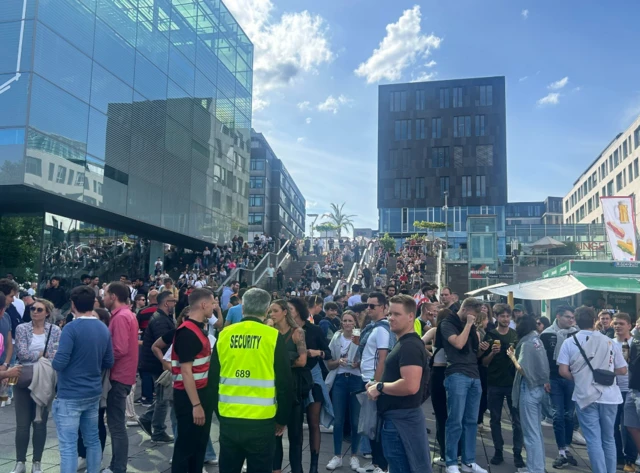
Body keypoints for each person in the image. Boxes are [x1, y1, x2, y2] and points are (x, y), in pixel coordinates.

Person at [209, 288, 293, 473]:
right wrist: (282, 418)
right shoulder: (272, 336)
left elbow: (213, 378)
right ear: (266, 311)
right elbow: (285, 382)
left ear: (243, 307)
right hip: (262, 420)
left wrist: (218, 411)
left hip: (229, 417)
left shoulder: (224, 334)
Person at [52, 286, 114, 473]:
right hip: (93, 391)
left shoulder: (71, 328)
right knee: (92, 439)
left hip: (70, 393)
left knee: (69, 444)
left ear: (73, 305)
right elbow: (109, 360)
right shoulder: (103, 328)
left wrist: (53, 358)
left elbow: (60, 363)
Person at [558, 305, 627, 473]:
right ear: (595, 320)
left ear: (576, 320)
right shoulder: (609, 341)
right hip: (609, 396)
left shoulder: (569, 342)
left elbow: (563, 371)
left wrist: (582, 377)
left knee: (593, 440)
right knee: (608, 438)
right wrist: (606, 372)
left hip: (585, 396)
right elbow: (623, 369)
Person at [366, 294, 431, 473]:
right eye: (389, 314)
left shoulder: (409, 346)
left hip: (400, 423)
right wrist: (378, 384)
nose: (391, 318)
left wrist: (380, 387)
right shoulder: (404, 343)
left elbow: (410, 386)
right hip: (400, 420)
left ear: (411, 316)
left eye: (396, 314)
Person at [168, 288, 216, 472]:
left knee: (198, 445)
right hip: (190, 397)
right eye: (212, 303)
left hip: (198, 393)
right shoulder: (188, 332)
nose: (214, 307)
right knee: (187, 447)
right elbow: (186, 371)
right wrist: (196, 405)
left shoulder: (196, 329)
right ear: (203, 304)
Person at [11, 298, 61, 473]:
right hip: (23, 378)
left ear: (47, 312)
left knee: (40, 423)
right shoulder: (22, 328)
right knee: (22, 424)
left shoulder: (55, 330)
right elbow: (22, 354)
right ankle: (20, 462)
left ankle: (37, 463)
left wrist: (39, 355)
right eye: (32, 308)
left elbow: (55, 355)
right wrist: (41, 354)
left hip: (45, 380)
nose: (35, 312)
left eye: (39, 309)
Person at [440, 297, 488, 473]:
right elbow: (458, 344)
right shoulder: (448, 323)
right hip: (456, 374)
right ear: (467, 310)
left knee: (471, 421)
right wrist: (468, 325)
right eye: (474, 315)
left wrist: (481, 348)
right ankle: (451, 462)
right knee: (455, 421)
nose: (475, 319)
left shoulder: (473, 328)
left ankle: (469, 461)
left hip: (474, 375)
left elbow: (473, 355)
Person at [289, 297, 333, 473]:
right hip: (294, 380)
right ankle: (296, 466)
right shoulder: (285, 331)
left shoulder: (314, 330)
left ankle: (314, 466)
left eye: (290, 309)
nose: (287, 312)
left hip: (313, 380)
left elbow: (328, 353)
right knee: (295, 425)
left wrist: (317, 352)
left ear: (298, 310)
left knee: (314, 423)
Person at [480, 304, 523, 468]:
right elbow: (483, 363)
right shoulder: (490, 335)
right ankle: (498, 451)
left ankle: (518, 453)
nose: (505, 319)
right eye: (502, 316)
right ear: (496, 317)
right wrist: (492, 353)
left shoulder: (516, 335)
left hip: (513, 384)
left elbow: (520, 360)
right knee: (495, 419)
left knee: (517, 421)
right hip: (494, 383)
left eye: (507, 316)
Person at [507, 315, 550, 473]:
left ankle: (535, 469)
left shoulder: (526, 343)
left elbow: (523, 369)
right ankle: (538, 466)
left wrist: (512, 357)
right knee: (536, 431)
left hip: (528, 388)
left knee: (530, 433)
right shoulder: (537, 340)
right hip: (539, 387)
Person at [103, 282, 139, 473]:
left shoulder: (120, 317)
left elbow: (119, 349)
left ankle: (118, 468)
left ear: (114, 296)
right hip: (123, 375)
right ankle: (116, 466)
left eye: (105, 294)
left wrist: (100, 358)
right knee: (117, 425)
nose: (103, 297)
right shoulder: (127, 315)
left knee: (116, 426)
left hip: (118, 376)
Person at [269, 299, 308, 473]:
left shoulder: (297, 332)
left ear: (285, 312)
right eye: (270, 311)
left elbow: (302, 360)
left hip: (293, 388)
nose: (271, 315)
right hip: (273, 389)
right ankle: (276, 468)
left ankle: (296, 469)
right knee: (274, 435)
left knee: (295, 435)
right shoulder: (269, 333)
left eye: (275, 311)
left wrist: (279, 364)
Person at [356, 291, 392, 473]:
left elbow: (382, 359)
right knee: (371, 424)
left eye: (372, 306)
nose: (368, 309)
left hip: (374, 382)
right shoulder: (374, 327)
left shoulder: (381, 329)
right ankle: (376, 463)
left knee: (376, 425)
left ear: (384, 308)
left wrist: (375, 384)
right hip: (368, 380)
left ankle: (381, 466)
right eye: (367, 305)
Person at [540, 305, 580, 468]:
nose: (571, 320)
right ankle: (561, 450)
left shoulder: (576, 333)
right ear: (558, 316)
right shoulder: (547, 334)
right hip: (554, 378)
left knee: (569, 414)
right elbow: (543, 358)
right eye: (567, 317)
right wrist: (545, 379)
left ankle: (567, 446)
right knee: (557, 415)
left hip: (571, 378)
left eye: (572, 317)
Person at [325, 311, 363, 471]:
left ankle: (354, 455)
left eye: (350, 320)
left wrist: (358, 363)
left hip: (356, 380)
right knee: (338, 420)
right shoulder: (336, 338)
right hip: (340, 379)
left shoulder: (360, 338)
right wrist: (338, 361)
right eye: (345, 321)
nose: (347, 323)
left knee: (355, 421)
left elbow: (367, 361)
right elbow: (329, 363)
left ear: (355, 323)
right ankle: (337, 455)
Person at [137, 291, 177, 443]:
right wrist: (167, 363)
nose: (174, 303)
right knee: (162, 398)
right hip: (158, 364)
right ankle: (158, 430)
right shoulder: (160, 320)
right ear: (167, 303)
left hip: (156, 363)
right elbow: (164, 345)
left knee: (162, 397)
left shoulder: (161, 317)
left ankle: (147, 419)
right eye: (172, 301)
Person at [423, 309, 449, 466]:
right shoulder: (456, 333)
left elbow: (419, 342)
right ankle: (456, 452)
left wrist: (430, 354)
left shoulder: (435, 330)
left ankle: (444, 452)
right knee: (454, 414)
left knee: (440, 414)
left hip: (438, 372)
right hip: (453, 372)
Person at [612, 312, 637, 471]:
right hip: (613, 390)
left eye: (621, 323)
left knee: (629, 427)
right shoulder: (610, 343)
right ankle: (618, 457)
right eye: (616, 323)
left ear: (629, 325)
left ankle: (630, 459)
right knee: (613, 426)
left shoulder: (636, 343)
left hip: (631, 390)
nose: (617, 326)